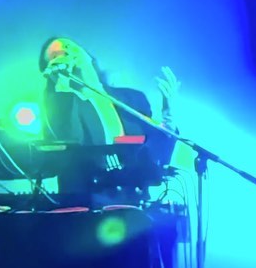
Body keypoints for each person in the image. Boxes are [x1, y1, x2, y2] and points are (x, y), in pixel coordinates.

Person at [38, 36, 179, 201]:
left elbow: (155, 155)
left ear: (87, 55)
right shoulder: (60, 107)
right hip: (87, 205)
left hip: (135, 202)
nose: (66, 52)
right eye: (56, 55)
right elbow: (68, 145)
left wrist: (169, 118)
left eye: (69, 46)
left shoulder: (132, 99)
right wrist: (60, 87)